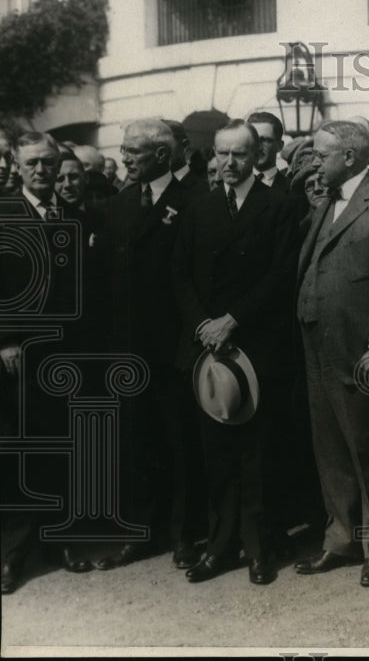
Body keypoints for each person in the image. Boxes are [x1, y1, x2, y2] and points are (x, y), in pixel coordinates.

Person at [172, 119, 298, 586]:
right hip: (207, 350)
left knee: (256, 455)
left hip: (255, 347)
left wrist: (233, 320)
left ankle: (259, 548)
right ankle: (221, 545)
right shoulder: (199, 209)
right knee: (216, 454)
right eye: (221, 154)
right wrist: (203, 324)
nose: (229, 163)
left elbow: (281, 274)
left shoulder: (278, 206)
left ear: (256, 155)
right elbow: (179, 274)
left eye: (239, 155)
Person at [294, 121, 369, 586]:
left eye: (320, 155)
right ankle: (340, 537)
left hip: (359, 346)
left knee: (368, 448)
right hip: (315, 340)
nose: (312, 163)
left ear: (349, 156)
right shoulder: (327, 201)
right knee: (329, 446)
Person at [93, 119, 204, 572]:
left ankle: (184, 535)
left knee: (180, 445)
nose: (125, 158)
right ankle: (141, 531)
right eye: (123, 150)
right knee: (137, 445)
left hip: (173, 349)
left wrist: (187, 346)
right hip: (128, 350)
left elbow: (197, 281)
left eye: (134, 151)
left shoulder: (197, 198)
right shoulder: (118, 204)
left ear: (162, 155)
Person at [0, 132, 96, 593]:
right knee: (19, 450)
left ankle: (63, 540)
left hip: (67, 355)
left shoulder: (73, 216)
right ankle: (14, 552)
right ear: (17, 166)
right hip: (17, 356)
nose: (42, 171)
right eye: (32, 163)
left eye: (49, 163)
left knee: (64, 445)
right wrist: (6, 341)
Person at [248, 111, 290, 192]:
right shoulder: (234, 188)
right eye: (253, 139)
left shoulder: (292, 191)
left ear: (279, 146)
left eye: (264, 140)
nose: (258, 147)